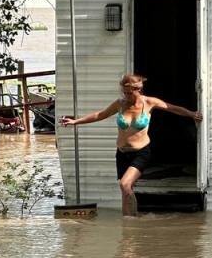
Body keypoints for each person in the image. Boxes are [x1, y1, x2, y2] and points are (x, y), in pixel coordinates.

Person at [60, 73, 203, 216]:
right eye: (125, 93)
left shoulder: (149, 102)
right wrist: (76, 122)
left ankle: (136, 217)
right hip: (121, 153)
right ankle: (127, 225)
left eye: (130, 93)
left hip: (141, 153)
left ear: (138, 90)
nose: (127, 96)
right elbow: (100, 115)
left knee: (125, 184)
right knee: (125, 190)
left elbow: (172, 108)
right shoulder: (120, 104)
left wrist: (192, 114)